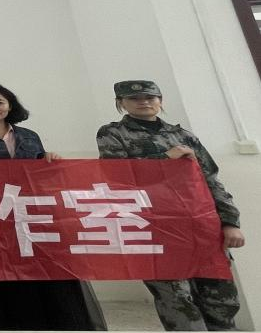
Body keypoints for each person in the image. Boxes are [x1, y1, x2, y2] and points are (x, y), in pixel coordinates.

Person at [0, 83, 105, 331]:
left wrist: (49, 159)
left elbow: (40, 175)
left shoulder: (29, 136)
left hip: (31, 214)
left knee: (42, 269)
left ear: (10, 106)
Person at [97, 80, 246, 331]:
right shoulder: (113, 134)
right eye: (134, 99)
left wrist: (230, 222)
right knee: (177, 301)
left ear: (160, 100)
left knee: (221, 300)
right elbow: (118, 177)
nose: (144, 102)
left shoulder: (184, 136)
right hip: (155, 229)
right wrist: (165, 159)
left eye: (150, 97)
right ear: (120, 103)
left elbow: (210, 180)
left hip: (201, 227)